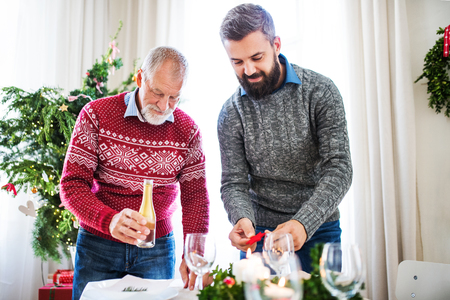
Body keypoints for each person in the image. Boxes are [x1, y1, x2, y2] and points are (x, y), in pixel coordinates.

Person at [60, 46, 210, 300]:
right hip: (98, 244)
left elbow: (196, 198)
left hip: (158, 248)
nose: (164, 106)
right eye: (157, 92)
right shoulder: (95, 115)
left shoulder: (188, 130)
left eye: (174, 97)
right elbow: (72, 185)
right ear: (140, 78)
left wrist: (193, 253)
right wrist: (109, 220)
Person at [217, 4, 352, 273]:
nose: (249, 70)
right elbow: (233, 182)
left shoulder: (321, 91)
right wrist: (241, 217)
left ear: (276, 44)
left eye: (257, 57)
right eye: (238, 62)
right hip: (260, 237)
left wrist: (303, 223)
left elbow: (339, 169)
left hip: (319, 230)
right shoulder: (231, 112)